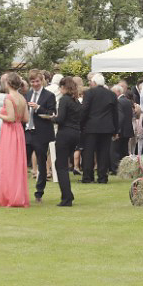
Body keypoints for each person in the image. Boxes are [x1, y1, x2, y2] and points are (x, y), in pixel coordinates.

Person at [0, 72, 30, 207]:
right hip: (19, 131)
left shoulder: (9, 98)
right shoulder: (22, 98)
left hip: (9, 131)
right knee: (17, 164)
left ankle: (10, 196)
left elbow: (10, 118)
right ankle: (18, 195)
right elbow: (26, 119)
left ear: (8, 83)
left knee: (8, 163)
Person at [22, 69, 56, 202]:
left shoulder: (49, 95)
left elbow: (52, 113)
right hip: (28, 131)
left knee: (41, 163)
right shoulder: (27, 94)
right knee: (23, 161)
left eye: (37, 81)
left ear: (42, 80)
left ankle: (39, 192)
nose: (35, 84)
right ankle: (20, 190)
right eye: (32, 81)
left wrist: (38, 108)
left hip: (41, 133)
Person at [80, 73, 118, 183]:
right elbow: (115, 114)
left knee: (88, 153)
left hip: (91, 127)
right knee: (104, 153)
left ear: (94, 83)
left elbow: (84, 110)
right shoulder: (111, 94)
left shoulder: (89, 93)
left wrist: (81, 124)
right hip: (107, 128)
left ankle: (87, 177)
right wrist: (116, 129)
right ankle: (102, 177)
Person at [53, 75, 82, 206]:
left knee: (60, 165)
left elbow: (60, 119)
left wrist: (51, 118)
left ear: (64, 87)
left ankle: (66, 197)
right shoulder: (76, 101)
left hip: (65, 133)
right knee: (63, 164)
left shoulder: (64, 100)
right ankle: (68, 194)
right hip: (76, 133)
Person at [111, 83, 134, 175]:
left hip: (121, 131)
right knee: (124, 151)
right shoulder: (128, 101)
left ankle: (116, 169)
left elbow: (120, 117)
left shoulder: (118, 102)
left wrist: (117, 130)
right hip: (127, 130)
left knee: (115, 151)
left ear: (117, 92)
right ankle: (126, 169)